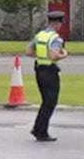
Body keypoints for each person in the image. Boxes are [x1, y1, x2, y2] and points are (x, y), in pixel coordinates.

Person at [28, 13, 68, 141]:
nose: (61, 26)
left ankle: (38, 128)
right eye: (61, 24)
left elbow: (28, 52)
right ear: (57, 23)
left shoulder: (40, 35)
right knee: (50, 102)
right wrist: (64, 55)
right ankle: (41, 131)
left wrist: (40, 57)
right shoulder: (56, 39)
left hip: (39, 70)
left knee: (45, 101)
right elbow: (53, 56)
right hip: (50, 72)